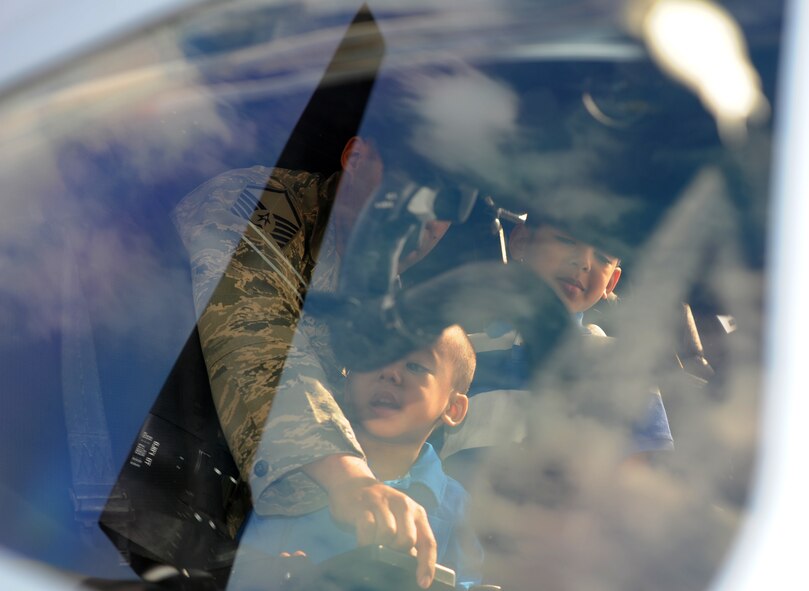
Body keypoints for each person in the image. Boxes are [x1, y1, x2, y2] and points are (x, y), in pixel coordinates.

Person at [172, 135, 449, 588]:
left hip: (225, 535)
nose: (427, 220)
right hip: (120, 490)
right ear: (355, 158)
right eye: (416, 185)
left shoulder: (378, 297)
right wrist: (350, 479)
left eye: (447, 204)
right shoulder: (261, 204)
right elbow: (253, 337)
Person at [228, 325, 483, 589]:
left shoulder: (457, 508)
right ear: (346, 382)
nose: (389, 373)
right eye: (373, 358)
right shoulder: (295, 467)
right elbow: (239, 571)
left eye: (415, 367)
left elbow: (462, 582)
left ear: (453, 408)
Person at [439, 218, 674, 483]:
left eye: (602, 256)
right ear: (521, 241)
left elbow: (637, 485)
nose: (583, 263)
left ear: (612, 282)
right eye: (566, 240)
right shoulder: (460, 353)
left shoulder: (624, 367)